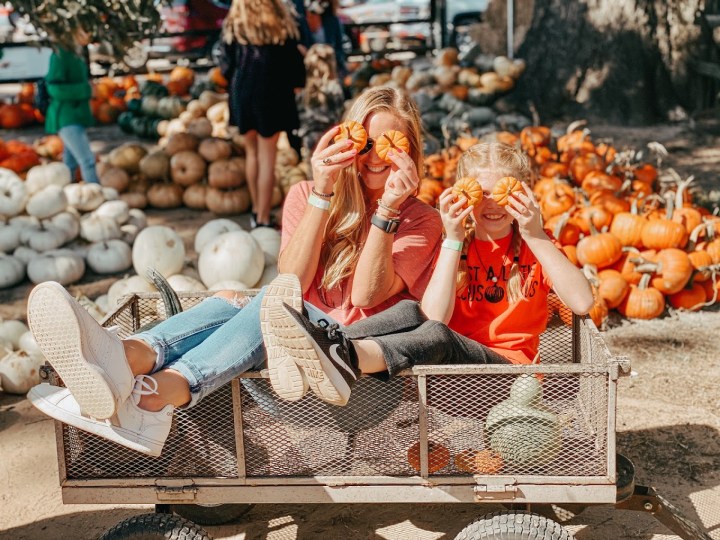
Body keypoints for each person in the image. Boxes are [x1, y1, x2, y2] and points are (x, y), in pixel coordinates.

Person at [26, 86, 444, 457]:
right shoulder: (307, 193)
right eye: (366, 143)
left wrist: (387, 210)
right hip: (284, 359)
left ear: (412, 152)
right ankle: (139, 377)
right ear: (345, 140)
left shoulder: (422, 219)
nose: (376, 156)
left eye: (393, 145)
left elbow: (367, 297)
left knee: (273, 304)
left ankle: (137, 373)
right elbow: (293, 280)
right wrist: (321, 192)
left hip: (351, 372)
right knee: (244, 301)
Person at [264, 142, 596, 406]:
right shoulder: (453, 242)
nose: (493, 204)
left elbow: (582, 302)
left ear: (525, 193)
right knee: (411, 311)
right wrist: (453, 239)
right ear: (464, 193)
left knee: (437, 334)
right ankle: (325, 346)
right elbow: (434, 314)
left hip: (509, 382)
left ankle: (343, 356)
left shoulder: (537, 243)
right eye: (482, 192)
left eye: (505, 193)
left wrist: (535, 234)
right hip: (446, 380)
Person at [218, 0, 306, 229]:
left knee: (252, 154)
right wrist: (297, 84)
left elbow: (226, 66)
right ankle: (264, 219)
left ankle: (257, 210)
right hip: (272, 94)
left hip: (243, 94)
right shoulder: (281, 23)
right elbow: (294, 64)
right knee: (268, 157)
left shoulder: (235, 24)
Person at [44, 27, 99, 184]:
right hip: (66, 116)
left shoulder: (75, 52)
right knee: (87, 160)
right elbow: (54, 88)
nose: (88, 34)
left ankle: (68, 192)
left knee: (70, 162)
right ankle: (97, 195)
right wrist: (86, 89)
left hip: (75, 114)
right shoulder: (61, 55)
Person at [296, 43, 346, 162]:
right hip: (329, 137)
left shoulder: (303, 91)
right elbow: (339, 115)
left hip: (309, 138)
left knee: (313, 169)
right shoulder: (334, 88)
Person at [305, 0, 347, 79]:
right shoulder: (303, 21)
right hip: (311, 66)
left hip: (331, 65)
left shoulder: (332, 20)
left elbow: (339, 48)